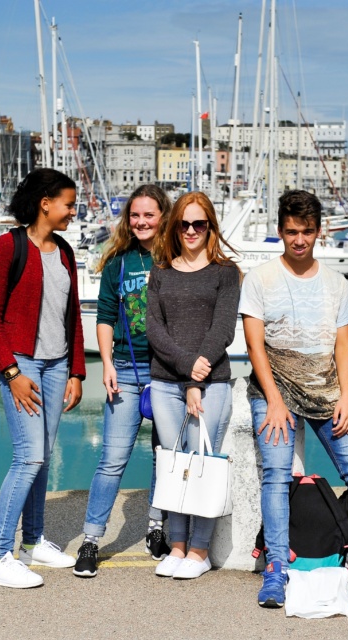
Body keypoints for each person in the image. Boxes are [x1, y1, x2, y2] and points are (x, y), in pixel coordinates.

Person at [241, 190, 348, 607]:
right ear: (280, 231)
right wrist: (274, 399)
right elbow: (254, 345)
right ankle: (276, 567)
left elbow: (343, 346)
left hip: (327, 391)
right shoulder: (260, 279)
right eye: (290, 232)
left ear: (318, 232)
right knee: (276, 475)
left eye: (306, 231)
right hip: (274, 391)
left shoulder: (336, 283)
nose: (298, 240)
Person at [0, 168, 85, 589]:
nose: (73, 212)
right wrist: (12, 373)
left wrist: (77, 371)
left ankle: (33, 541)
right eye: (68, 204)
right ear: (45, 203)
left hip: (57, 366)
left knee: (44, 454)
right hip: (22, 365)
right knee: (29, 457)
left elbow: (73, 316)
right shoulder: (7, 247)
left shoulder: (65, 251)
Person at [74, 185, 172, 578]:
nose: (141, 222)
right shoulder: (118, 263)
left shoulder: (175, 258)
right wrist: (107, 364)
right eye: (135, 215)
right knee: (113, 459)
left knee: (165, 456)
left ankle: (156, 527)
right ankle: (91, 539)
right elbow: (105, 316)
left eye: (149, 215)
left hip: (167, 373)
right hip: (127, 371)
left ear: (163, 217)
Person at [146, 191, 239, 580]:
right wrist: (187, 371)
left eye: (198, 223)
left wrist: (195, 380)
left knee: (201, 462)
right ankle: (178, 545)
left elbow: (223, 329)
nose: (190, 230)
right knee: (173, 465)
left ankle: (199, 551)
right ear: (174, 227)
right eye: (183, 223)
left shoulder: (225, 272)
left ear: (210, 226)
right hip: (166, 382)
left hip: (211, 383)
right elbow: (155, 329)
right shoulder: (161, 271)